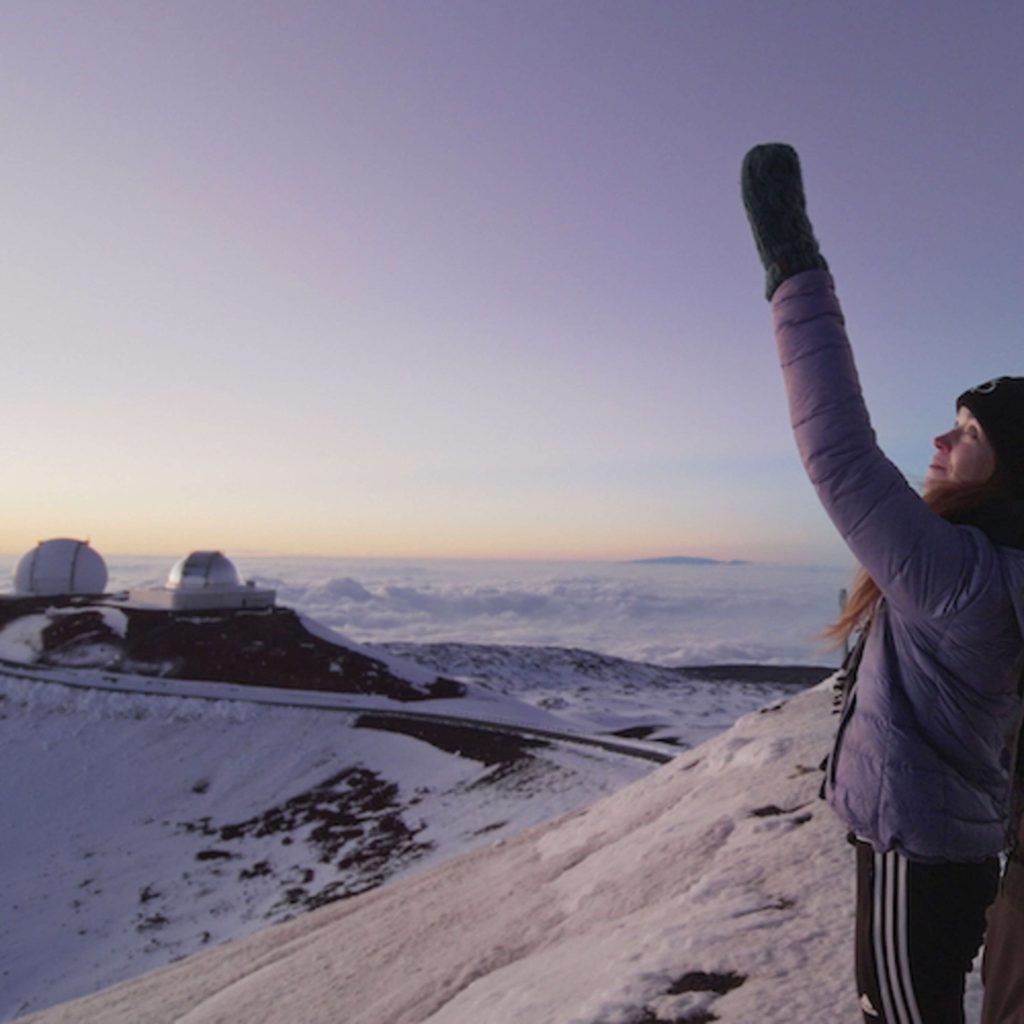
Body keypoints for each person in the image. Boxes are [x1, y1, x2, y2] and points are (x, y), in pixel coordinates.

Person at [740, 142, 1024, 1024]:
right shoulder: (987, 567)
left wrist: (792, 264)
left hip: (920, 850)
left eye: (966, 431)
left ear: (1009, 469)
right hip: (941, 841)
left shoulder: (960, 575)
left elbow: (839, 453)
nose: (940, 444)